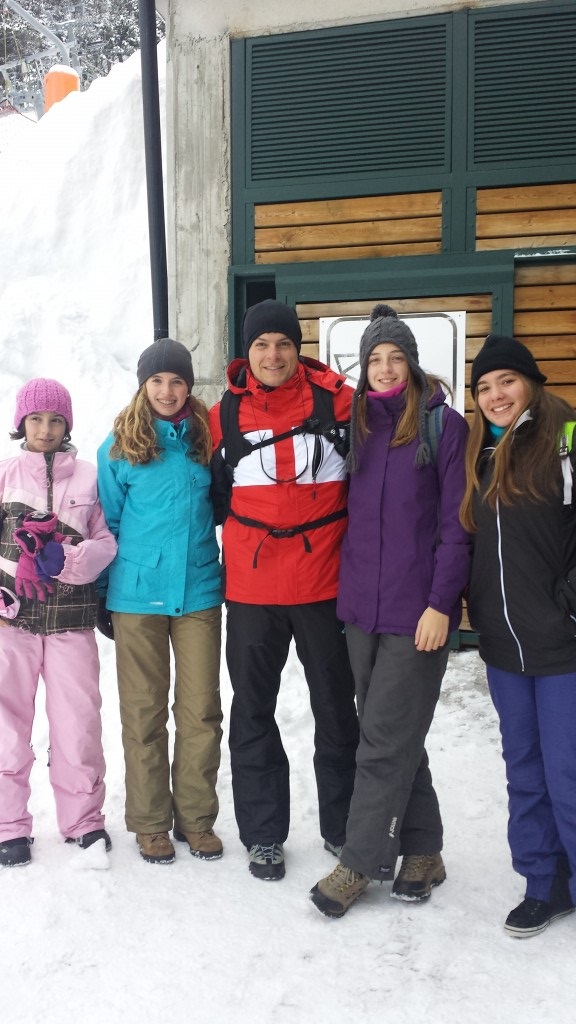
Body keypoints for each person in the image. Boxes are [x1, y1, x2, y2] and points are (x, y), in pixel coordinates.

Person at [310, 304, 471, 917]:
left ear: (412, 363)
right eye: (374, 359)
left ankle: (359, 863)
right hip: (360, 611)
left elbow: (457, 525)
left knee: (379, 741)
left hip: (417, 613)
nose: (383, 368)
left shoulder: (442, 426)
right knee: (395, 731)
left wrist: (441, 604)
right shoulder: (357, 427)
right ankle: (423, 850)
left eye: (394, 357)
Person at [209, 298, 359, 881]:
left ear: (298, 349)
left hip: (324, 584)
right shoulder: (222, 414)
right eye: (261, 345)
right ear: (246, 352)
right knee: (253, 710)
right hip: (252, 590)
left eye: (283, 344)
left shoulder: (339, 402)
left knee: (336, 709)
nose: (273, 355)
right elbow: (210, 491)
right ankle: (264, 834)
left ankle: (343, 826)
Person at [460, 333, 576, 938]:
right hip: (504, 646)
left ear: (530, 382)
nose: (496, 395)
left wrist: (568, 609)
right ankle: (543, 882)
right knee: (524, 770)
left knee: (568, 772)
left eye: (506, 381)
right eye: (483, 387)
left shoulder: (567, 437)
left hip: (562, 645)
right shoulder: (482, 451)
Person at [97, 339, 223, 866]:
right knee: (144, 712)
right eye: (157, 381)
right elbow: (108, 525)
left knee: (201, 712)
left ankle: (196, 819)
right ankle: (150, 824)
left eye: (177, 381)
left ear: (188, 385)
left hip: (198, 592)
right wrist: (104, 594)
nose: (167, 391)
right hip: (137, 596)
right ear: (143, 385)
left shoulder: (208, 437)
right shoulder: (118, 447)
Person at [0, 378, 117, 867]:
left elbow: (106, 543)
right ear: (21, 424)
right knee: (6, 725)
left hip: (71, 621)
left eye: (55, 420)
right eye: (35, 419)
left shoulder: (89, 477)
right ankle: (9, 826)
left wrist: (64, 559)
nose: (45, 429)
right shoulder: (5, 475)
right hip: (11, 622)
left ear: (66, 424)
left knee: (78, 723)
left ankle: (83, 821)